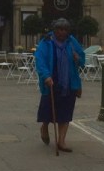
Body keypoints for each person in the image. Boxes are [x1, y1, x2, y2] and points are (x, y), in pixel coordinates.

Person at [34, 17, 85, 153]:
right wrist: (46, 76)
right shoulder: (46, 42)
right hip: (51, 80)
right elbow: (40, 60)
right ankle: (44, 127)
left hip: (69, 82)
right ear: (54, 30)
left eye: (65, 30)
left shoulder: (72, 42)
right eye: (59, 29)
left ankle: (61, 141)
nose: (62, 32)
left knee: (66, 112)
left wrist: (78, 58)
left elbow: (82, 58)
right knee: (48, 111)